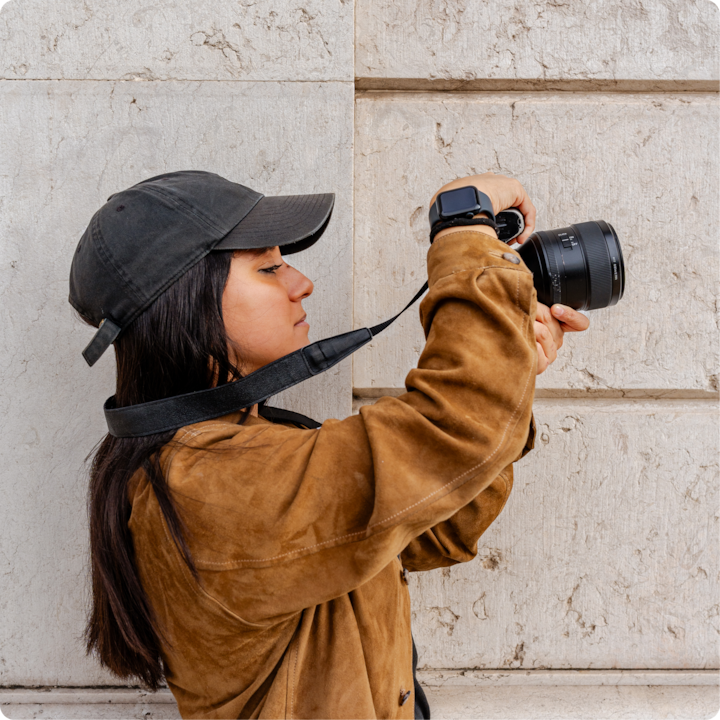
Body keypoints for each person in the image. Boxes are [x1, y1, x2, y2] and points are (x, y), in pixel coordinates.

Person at [69, 170, 589, 720]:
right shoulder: (208, 486)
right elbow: (452, 429)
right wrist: (464, 223)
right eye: (269, 267)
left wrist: (511, 370)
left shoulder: (249, 449)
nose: (301, 283)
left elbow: (437, 529)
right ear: (185, 303)